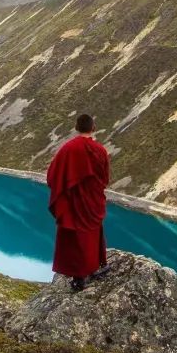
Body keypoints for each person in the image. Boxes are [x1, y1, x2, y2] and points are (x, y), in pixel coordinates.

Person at [46, 112, 111, 291]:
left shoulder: (67, 149)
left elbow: (52, 176)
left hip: (73, 203)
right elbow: (104, 178)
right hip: (92, 201)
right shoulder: (100, 150)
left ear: (76, 128)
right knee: (91, 235)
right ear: (93, 128)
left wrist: (68, 190)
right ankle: (95, 267)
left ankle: (78, 277)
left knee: (75, 239)